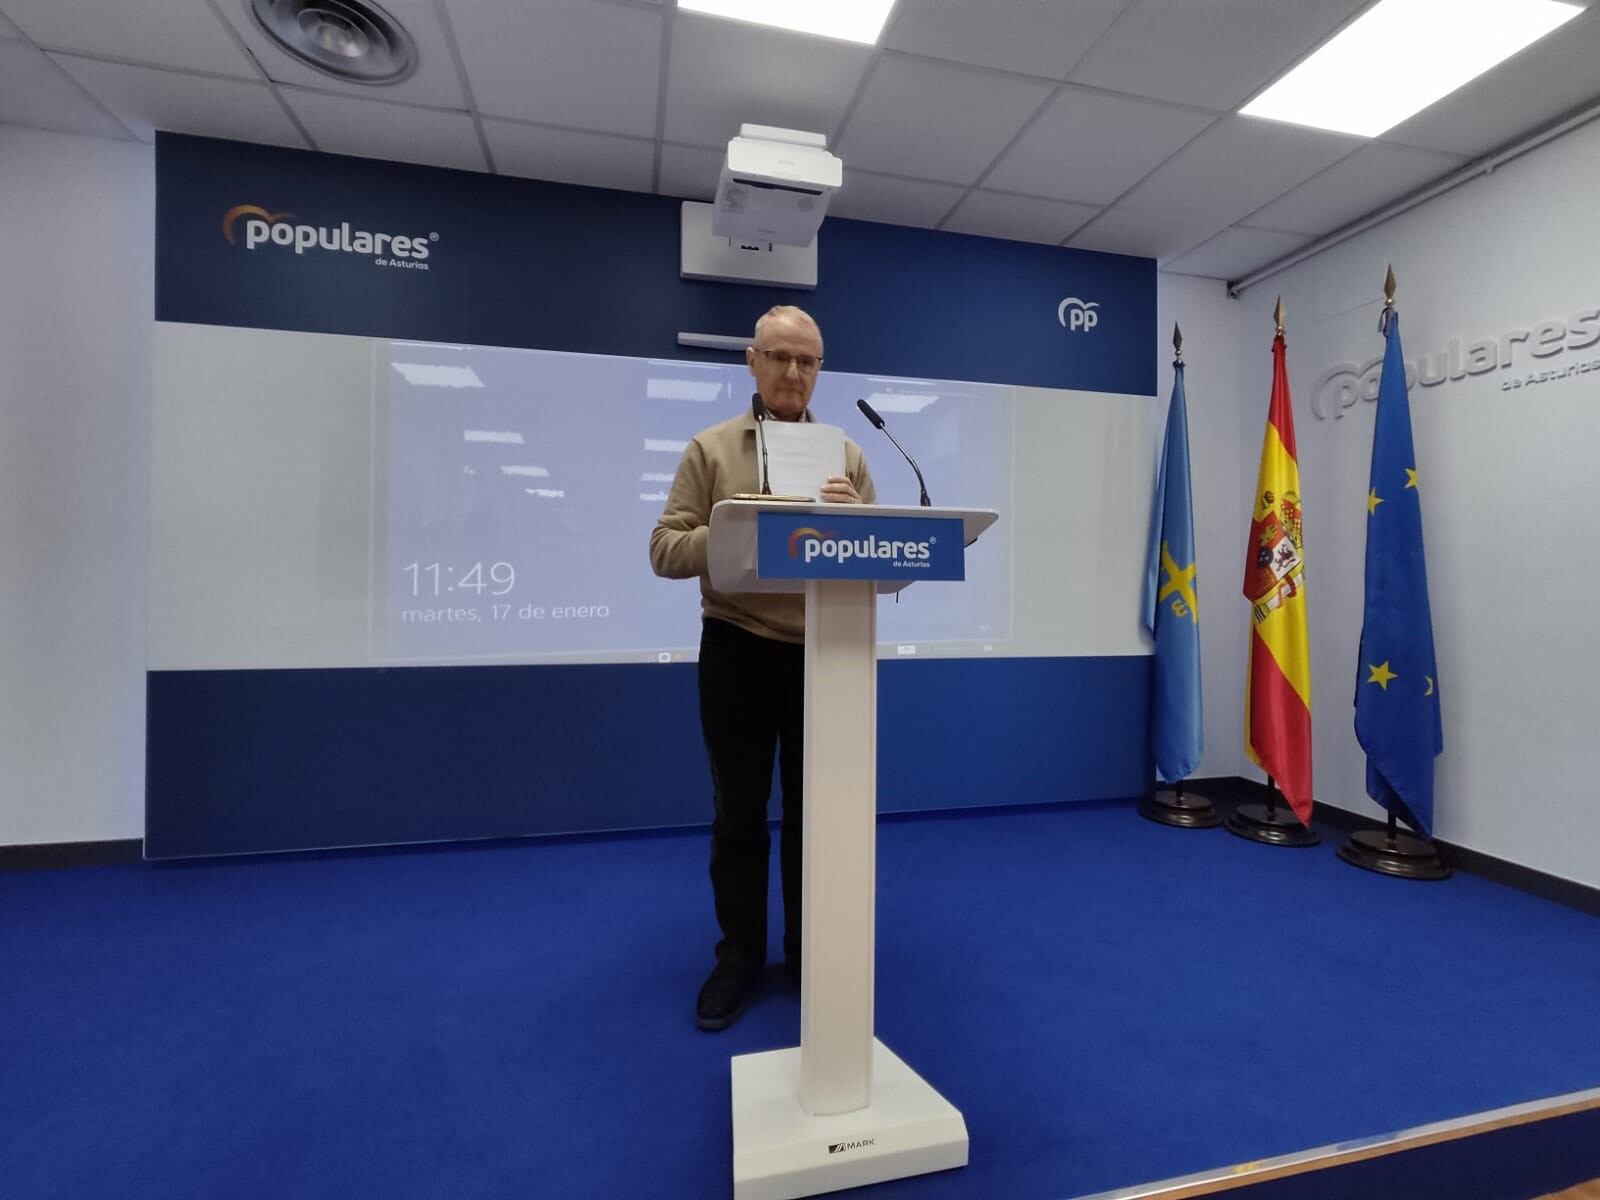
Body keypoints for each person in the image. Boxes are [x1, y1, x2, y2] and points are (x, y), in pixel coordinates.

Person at [650, 305, 876, 1030]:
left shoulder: (846, 455)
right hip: (738, 648)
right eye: (780, 356)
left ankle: (810, 953)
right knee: (740, 813)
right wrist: (733, 523)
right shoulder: (711, 448)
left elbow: (878, 556)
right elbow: (664, 549)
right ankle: (739, 956)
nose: (793, 372)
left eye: (807, 360)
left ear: (820, 369)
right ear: (752, 361)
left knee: (817, 817)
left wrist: (855, 519)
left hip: (827, 655)